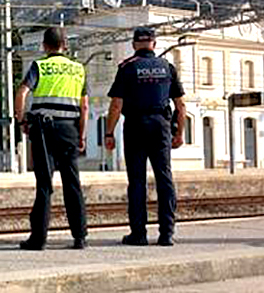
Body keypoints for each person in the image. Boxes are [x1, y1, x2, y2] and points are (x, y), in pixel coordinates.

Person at [104, 26, 186, 247]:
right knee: (165, 179)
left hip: (136, 126)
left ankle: (138, 234)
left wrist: (109, 133)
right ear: (154, 44)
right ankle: (167, 233)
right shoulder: (167, 67)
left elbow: (116, 104)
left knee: (137, 181)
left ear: (133, 45)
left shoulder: (127, 67)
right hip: (161, 126)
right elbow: (180, 105)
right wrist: (179, 132)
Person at [15, 27, 88, 251]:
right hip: (69, 130)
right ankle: (80, 237)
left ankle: (38, 239)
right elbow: (84, 106)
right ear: (64, 45)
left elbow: (22, 93)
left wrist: (21, 121)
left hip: (44, 130)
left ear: (45, 46)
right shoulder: (78, 69)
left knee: (44, 184)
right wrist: (81, 136)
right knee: (72, 183)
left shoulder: (40, 66)